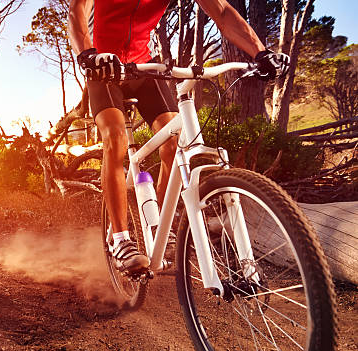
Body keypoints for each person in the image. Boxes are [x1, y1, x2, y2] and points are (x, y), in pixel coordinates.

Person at [68, 0, 289, 275]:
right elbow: (78, 9)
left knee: (174, 139)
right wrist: (87, 55)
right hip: (103, 66)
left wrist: (260, 52)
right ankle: (120, 239)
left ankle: (159, 227)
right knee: (115, 138)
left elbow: (221, 12)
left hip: (143, 66)